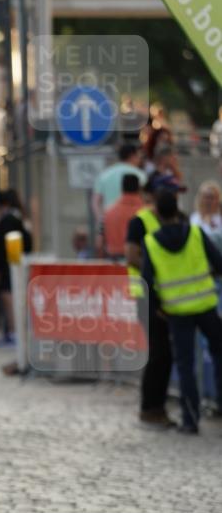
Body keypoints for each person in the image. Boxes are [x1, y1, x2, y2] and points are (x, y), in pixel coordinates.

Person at [142, 189, 222, 433]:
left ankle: (190, 419)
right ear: (178, 209)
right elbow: (219, 263)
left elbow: (147, 282)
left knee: (186, 366)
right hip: (206, 306)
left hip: (176, 311)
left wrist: (158, 309)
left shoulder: (152, 242)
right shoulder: (196, 233)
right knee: (220, 354)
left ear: (157, 213)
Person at [125, 176, 176, 429]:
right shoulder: (140, 221)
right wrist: (157, 270)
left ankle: (157, 406)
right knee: (158, 354)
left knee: (165, 355)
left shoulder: (178, 219)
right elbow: (132, 255)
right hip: (145, 295)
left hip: (170, 295)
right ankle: (150, 407)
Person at [0, 189, 32, 345]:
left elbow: (0, 246)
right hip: (16, 262)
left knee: (8, 298)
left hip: (7, 264)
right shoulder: (19, 217)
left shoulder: (6, 220)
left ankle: (13, 332)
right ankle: (14, 331)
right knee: (14, 297)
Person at [92, 144, 145, 225]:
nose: (140, 160)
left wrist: (101, 221)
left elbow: (96, 202)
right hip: (134, 221)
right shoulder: (139, 175)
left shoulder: (104, 175)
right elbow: (144, 199)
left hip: (109, 222)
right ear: (132, 156)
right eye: (138, 156)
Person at [100, 174, 143, 261]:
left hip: (113, 263)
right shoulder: (146, 212)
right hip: (138, 262)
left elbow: (99, 244)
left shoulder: (109, 212)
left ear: (122, 188)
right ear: (139, 189)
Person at [190, 181, 222, 253]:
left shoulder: (220, 217)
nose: (208, 201)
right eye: (205, 197)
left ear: (218, 199)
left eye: (211, 197)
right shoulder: (194, 217)